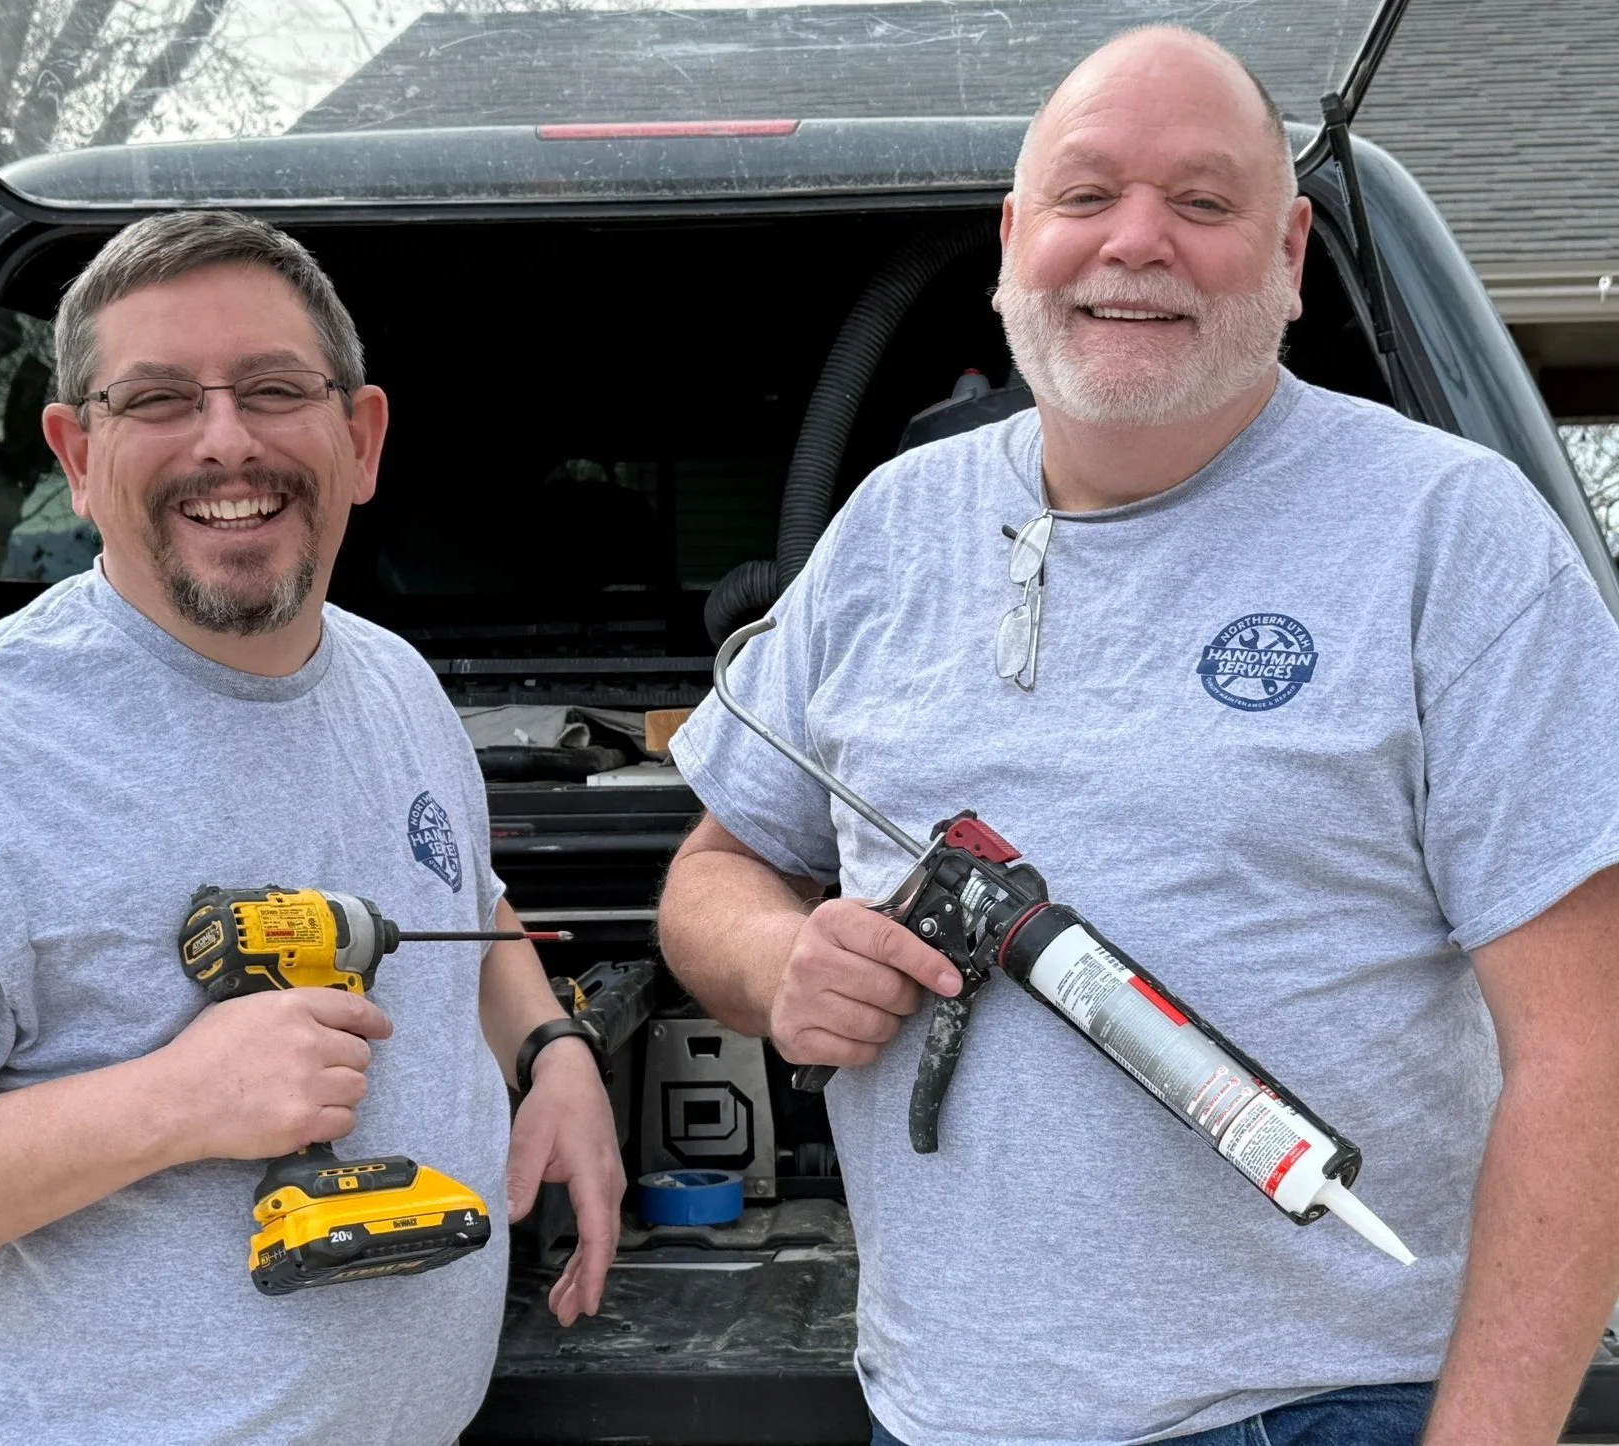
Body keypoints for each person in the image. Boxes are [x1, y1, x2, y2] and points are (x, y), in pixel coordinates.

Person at [658, 27, 1619, 1446]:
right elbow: (715, 865)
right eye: (1086, 195)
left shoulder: (1447, 537)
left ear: (1290, 252)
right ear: (1012, 240)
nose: (1136, 243)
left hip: (1322, 1406)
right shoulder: (891, 529)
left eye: (1205, 202)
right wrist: (776, 957)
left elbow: (1590, 1043)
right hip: (942, 1411)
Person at [0, 209, 624, 1446]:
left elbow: (455, 899)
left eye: (275, 389)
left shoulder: (394, 680)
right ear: (76, 457)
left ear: (360, 439)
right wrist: (173, 1105)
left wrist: (549, 1053)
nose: (226, 442)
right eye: (159, 400)